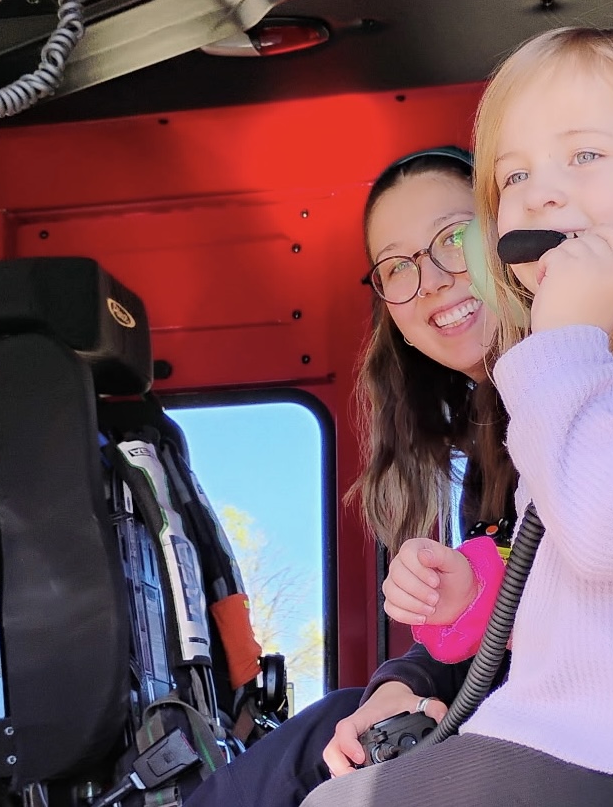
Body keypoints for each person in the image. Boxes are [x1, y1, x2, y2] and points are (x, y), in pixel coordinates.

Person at [302, 26, 613, 807]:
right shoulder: (603, 365)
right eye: (514, 176)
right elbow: (569, 559)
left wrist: (562, 340)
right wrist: (472, 600)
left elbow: (606, 525)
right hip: (582, 742)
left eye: (585, 157)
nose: (540, 193)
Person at [182, 146, 514, 806]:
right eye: (398, 266)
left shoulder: (579, 396)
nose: (435, 279)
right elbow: (486, 638)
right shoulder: (493, 443)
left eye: (454, 237)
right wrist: (395, 685)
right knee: (338, 722)